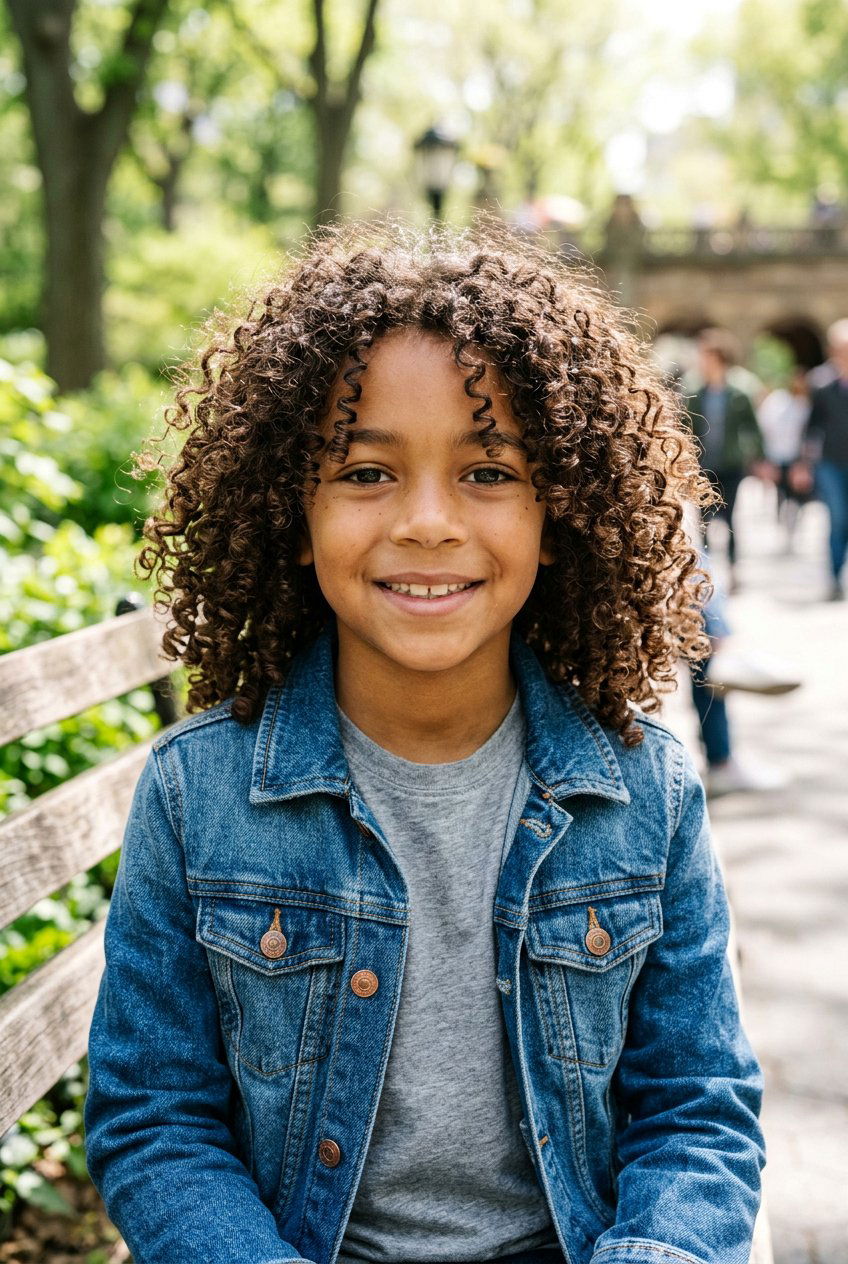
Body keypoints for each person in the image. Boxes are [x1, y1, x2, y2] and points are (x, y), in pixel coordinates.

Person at [84, 219, 765, 1264]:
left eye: (487, 472)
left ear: (560, 508)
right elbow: (156, 1124)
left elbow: (695, 1113)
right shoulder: (198, 790)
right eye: (365, 474)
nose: (428, 521)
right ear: (290, 509)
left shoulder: (645, 792)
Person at [684, 328, 769, 592]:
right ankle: (705, 571)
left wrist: (759, 458)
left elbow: (753, 429)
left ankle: (733, 568)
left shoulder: (738, 392)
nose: (702, 362)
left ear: (719, 358)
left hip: (732, 465)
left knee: (731, 519)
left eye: (706, 356)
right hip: (703, 466)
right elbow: (686, 427)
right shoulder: (695, 392)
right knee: (704, 521)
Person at [797, 318, 848, 600]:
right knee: (838, 518)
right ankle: (835, 575)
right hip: (831, 462)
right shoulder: (822, 384)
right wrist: (802, 464)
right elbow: (811, 427)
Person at [756, 366, 813, 552]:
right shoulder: (778, 401)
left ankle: (792, 528)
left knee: (796, 495)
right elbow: (765, 425)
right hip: (777, 454)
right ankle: (784, 527)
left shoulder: (805, 405)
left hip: (796, 457)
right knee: (781, 493)